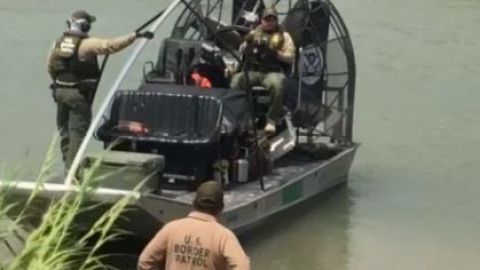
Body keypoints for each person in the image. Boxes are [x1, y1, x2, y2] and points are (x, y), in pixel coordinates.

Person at [47, 10, 154, 169]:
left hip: (59, 92)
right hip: (78, 96)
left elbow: (50, 67)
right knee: (77, 134)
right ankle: (73, 171)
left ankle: (67, 167)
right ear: (85, 26)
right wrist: (134, 36)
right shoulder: (87, 44)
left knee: (65, 133)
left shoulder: (57, 43)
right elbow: (111, 46)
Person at [138, 181, 250, 270]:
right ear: (221, 208)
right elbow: (243, 266)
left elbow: (145, 261)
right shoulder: (223, 236)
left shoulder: (171, 228)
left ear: (194, 203)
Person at [230, 7, 295, 136]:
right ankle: (239, 116)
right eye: (267, 19)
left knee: (276, 85)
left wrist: (276, 54)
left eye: (273, 19)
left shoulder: (285, 36)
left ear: (276, 21)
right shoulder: (254, 33)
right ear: (262, 20)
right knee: (236, 82)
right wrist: (245, 46)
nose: (269, 22)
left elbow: (291, 59)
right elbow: (242, 49)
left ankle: (271, 120)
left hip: (273, 71)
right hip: (255, 71)